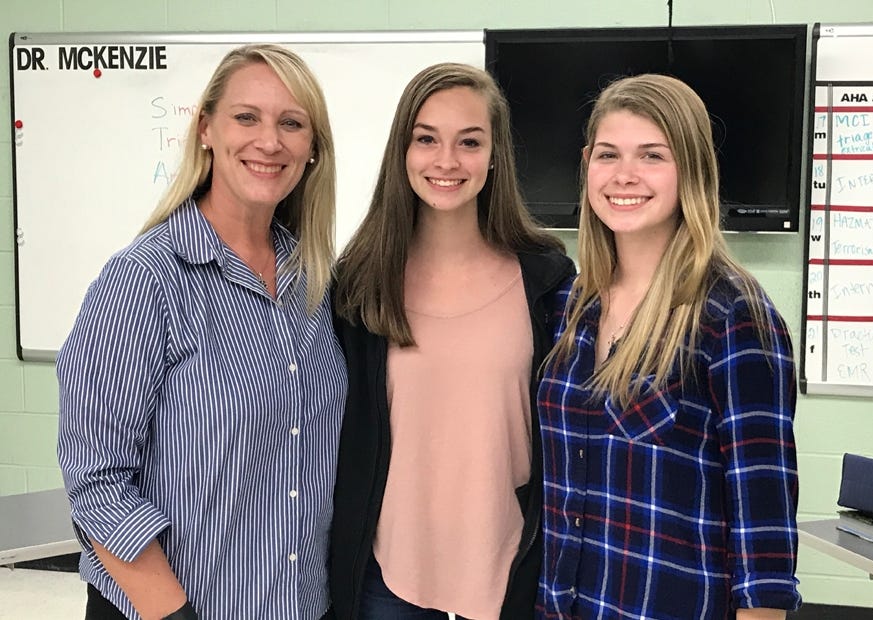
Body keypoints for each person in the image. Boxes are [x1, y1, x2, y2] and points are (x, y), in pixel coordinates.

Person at [57, 44, 346, 620]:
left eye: (292, 123)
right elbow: (95, 480)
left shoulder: (315, 281)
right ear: (207, 129)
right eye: (247, 117)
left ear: (313, 148)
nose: (269, 141)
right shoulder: (144, 278)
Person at [537, 74, 800, 620]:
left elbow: (764, 536)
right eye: (608, 154)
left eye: (652, 155)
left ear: (692, 170)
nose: (624, 175)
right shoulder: (569, 304)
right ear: (587, 164)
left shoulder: (732, 315)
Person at [329, 62, 575, 620]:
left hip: (512, 574)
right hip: (390, 580)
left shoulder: (547, 280)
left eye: (469, 141)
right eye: (426, 139)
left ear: (494, 155)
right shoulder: (359, 286)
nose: (446, 161)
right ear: (402, 151)